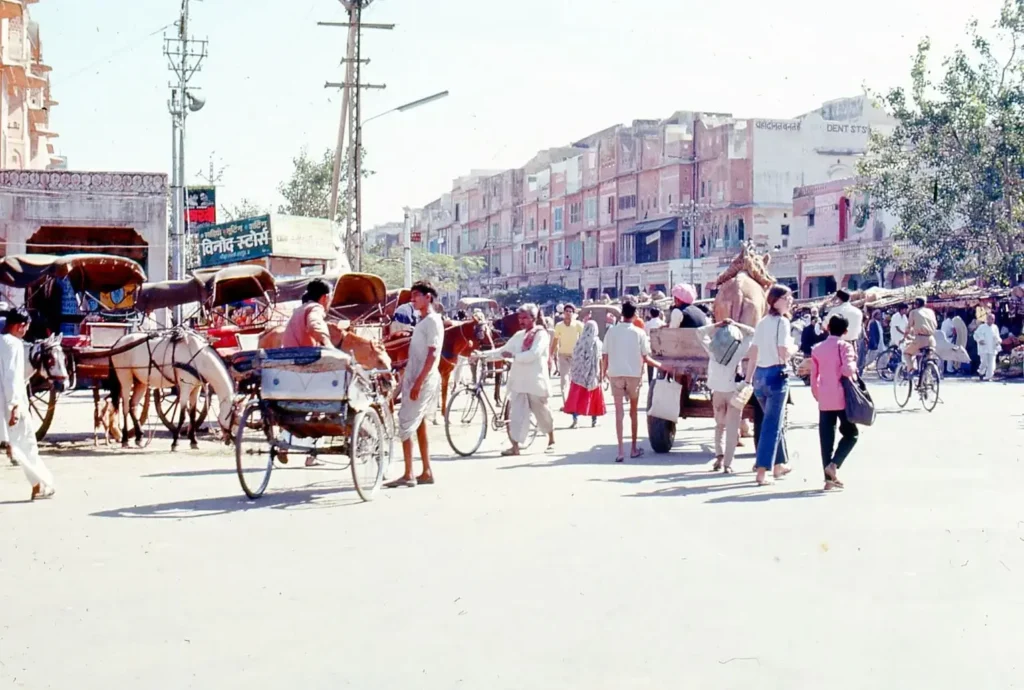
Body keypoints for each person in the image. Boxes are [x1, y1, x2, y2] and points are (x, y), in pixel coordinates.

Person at [387, 281, 444, 488]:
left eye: (416, 295)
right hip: (414, 374)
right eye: (412, 296)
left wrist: (418, 383)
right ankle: (426, 471)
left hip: (423, 378)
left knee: (405, 423)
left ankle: (409, 473)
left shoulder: (432, 321)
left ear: (428, 297)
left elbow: (432, 354)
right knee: (418, 424)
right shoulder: (422, 321)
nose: (413, 300)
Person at [603, 301, 668, 462]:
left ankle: (620, 451)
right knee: (633, 413)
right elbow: (646, 358)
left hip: (616, 374)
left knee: (619, 414)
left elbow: (604, 355)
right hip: (633, 375)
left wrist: (602, 373)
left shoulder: (611, 332)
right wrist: (663, 366)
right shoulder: (639, 333)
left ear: (622, 314)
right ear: (634, 314)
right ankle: (633, 448)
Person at [0, 309, 55, 499]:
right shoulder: (14, 345)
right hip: (12, 403)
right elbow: (12, 378)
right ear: (20, 326)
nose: (26, 332)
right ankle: (40, 484)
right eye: (26, 327)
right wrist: (13, 406)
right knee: (27, 444)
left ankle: (39, 484)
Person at [745, 284, 796, 486]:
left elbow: (754, 352)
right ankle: (761, 471)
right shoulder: (782, 323)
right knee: (772, 426)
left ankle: (779, 465)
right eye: (787, 297)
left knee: (773, 422)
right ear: (776, 300)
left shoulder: (762, 323)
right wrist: (794, 349)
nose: (790, 300)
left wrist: (748, 379)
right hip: (777, 375)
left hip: (760, 377)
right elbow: (784, 351)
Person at [494, 304, 555, 456]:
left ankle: (551, 439)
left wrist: (514, 356)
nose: (521, 321)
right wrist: (481, 355)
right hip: (519, 382)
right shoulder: (519, 336)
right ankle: (515, 447)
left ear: (533, 318)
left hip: (535, 382)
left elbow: (534, 354)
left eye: (525, 318)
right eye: (519, 318)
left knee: (543, 414)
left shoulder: (541, 335)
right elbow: (502, 351)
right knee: (516, 417)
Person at [697, 318, 755, 473]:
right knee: (732, 428)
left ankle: (719, 457)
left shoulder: (712, 350)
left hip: (717, 392)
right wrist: (736, 323)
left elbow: (700, 332)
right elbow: (751, 333)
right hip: (733, 392)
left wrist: (717, 325)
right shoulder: (737, 351)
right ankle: (728, 464)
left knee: (719, 426)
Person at [811, 314, 859, 491]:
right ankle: (834, 465)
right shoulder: (845, 346)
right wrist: (852, 367)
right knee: (851, 434)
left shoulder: (817, 349)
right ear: (845, 331)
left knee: (826, 439)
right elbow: (847, 370)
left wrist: (817, 394)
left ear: (828, 328)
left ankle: (828, 481)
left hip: (824, 397)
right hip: (842, 398)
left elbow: (813, 377)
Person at [562, 320, 606, 429]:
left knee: (577, 397)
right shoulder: (597, 343)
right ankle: (594, 421)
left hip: (579, 375)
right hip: (592, 375)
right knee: (594, 397)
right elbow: (599, 359)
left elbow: (575, 357)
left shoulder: (579, 341)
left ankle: (575, 421)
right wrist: (601, 375)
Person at [282, 278, 334, 349]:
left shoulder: (301, 309)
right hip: (301, 356)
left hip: (289, 354)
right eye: (331, 297)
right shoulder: (315, 308)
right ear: (325, 297)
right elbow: (314, 325)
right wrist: (328, 345)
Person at [550, 304, 584, 399]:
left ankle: (574, 400)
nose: (568, 313)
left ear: (573, 313)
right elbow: (555, 340)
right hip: (563, 355)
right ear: (563, 313)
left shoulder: (578, 325)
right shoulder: (559, 325)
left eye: (570, 311)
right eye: (567, 311)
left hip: (575, 355)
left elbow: (583, 339)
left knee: (575, 378)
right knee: (564, 379)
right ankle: (566, 402)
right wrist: (550, 354)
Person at [903, 297, 938, 373]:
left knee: (906, 353)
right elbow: (935, 325)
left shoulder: (914, 312)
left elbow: (909, 327)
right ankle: (927, 379)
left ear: (916, 304)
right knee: (928, 359)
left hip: (920, 339)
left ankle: (911, 369)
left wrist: (904, 337)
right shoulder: (931, 312)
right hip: (931, 339)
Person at [974, 312, 1001, 381]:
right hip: (983, 348)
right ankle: (981, 372)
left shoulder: (995, 327)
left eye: (993, 319)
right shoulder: (982, 327)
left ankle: (989, 377)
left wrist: (998, 341)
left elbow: (997, 336)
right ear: (987, 319)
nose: (992, 320)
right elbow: (975, 335)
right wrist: (979, 340)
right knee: (984, 362)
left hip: (992, 348)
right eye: (991, 318)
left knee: (991, 363)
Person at [644, 307, 666, 385]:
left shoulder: (647, 324)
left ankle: (650, 382)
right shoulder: (662, 323)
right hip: (661, 347)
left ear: (650, 314)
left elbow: (646, 334)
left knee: (650, 365)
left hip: (650, 346)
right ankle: (662, 380)